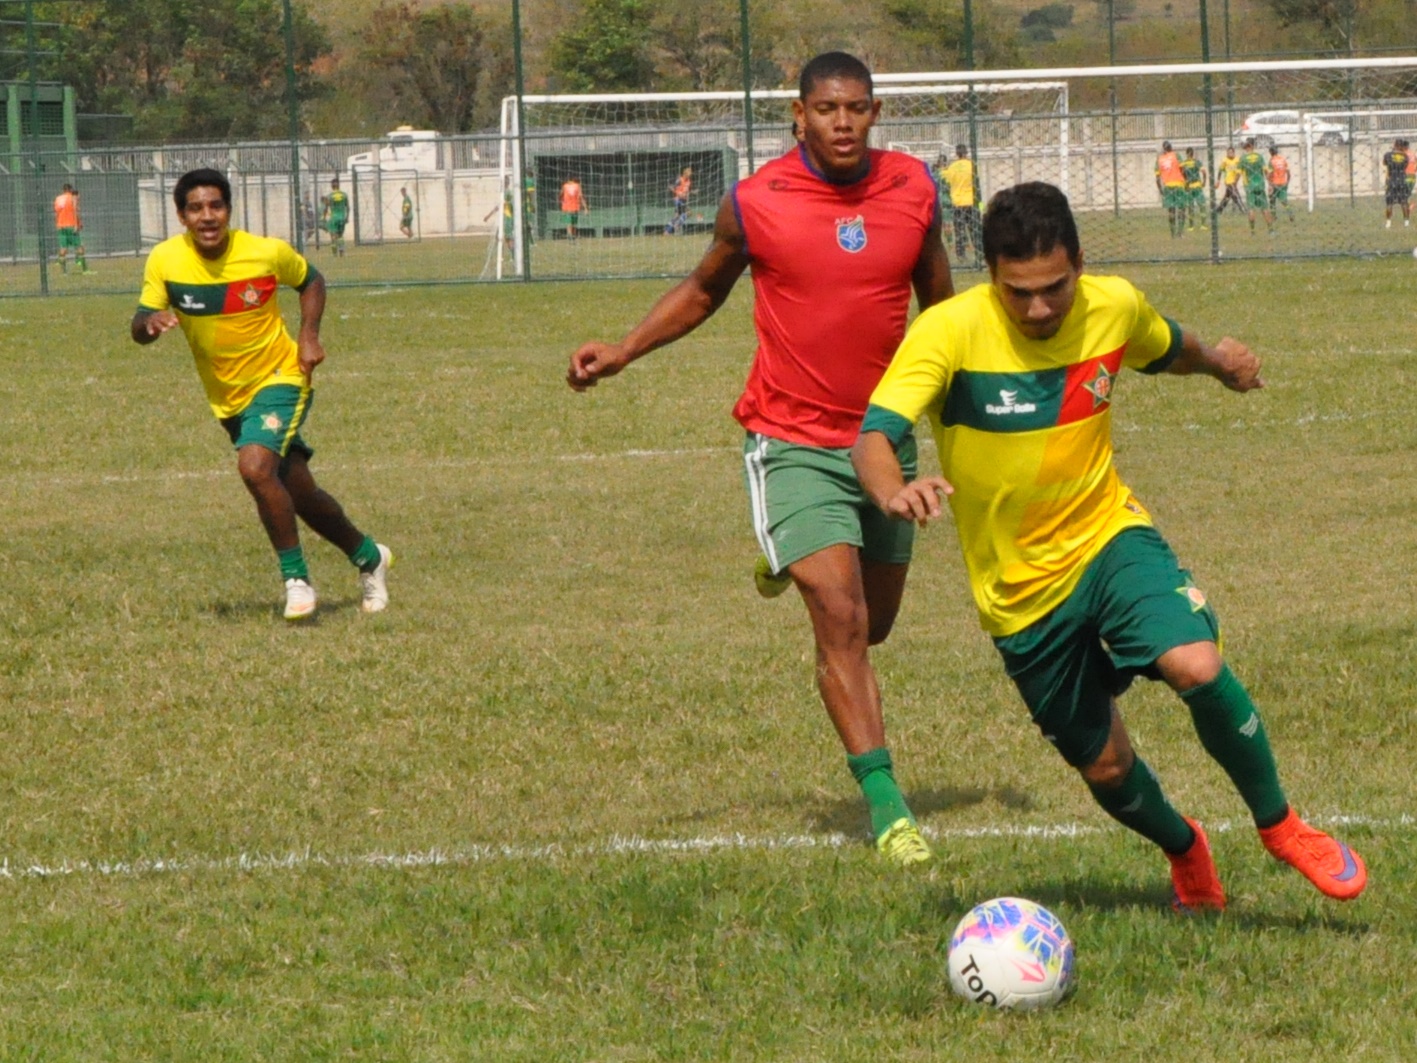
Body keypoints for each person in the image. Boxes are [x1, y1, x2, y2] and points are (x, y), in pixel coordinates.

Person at [851, 181, 1367, 911]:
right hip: (1019, 594)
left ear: (1080, 264)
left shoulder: (1112, 305)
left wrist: (1221, 363)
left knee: (1195, 664)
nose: (1038, 309)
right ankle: (1184, 846)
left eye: (1054, 288)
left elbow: (1169, 347)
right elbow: (874, 435)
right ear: (990, 275)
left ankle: (1281, 826)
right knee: (1106, 767)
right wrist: (889, 492)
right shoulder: (948, 332)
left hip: (1107, 537)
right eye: (1018, 293)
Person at [567, 52, 954, 866]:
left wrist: (967, 399)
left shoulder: (914, 189)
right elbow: (704, 288)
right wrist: (625, 348)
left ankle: (785, 553)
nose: (841, 122)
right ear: (798, 114)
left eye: (855, 108)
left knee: (874, 624)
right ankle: (888, 807)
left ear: (875, 113)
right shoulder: (756, 200)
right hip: (792, 439)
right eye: (826, 108)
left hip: (883, 438)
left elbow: (942, 307)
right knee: (840, 617)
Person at [129, 168, 392, 622]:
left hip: (280, 377)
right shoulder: (165, 260)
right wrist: (148, 324)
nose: (207, 216)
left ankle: (296, 581)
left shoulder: (265, 252)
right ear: (181, 215)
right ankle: (370, 557)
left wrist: (308, 336)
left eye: (216, 206)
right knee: (298, 491)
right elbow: (140, 323)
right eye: (196, 208)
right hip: (228, 397)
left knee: (254, 467)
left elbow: (312, 280)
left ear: (229, 210)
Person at [940, 143, 983, 266]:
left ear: (956, 154)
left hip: (957, 203)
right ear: (966, 153)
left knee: (959, 230)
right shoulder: (972, 165)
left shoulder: (952, 167)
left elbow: (944, 177)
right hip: (971, 202)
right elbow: (977, 183)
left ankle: (961, 255)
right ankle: (979, 254)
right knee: (974, 230)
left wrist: (941, 168)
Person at [1237, 139, 1275, 235]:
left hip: (1249, 187)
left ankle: (1252, 232)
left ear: (1248, 146)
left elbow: (1238, 173)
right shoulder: (1259, 157)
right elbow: (1266, 171)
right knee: (1265, 208)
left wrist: (1234, 183)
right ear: (1253, 146)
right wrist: (1270, 184)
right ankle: (1271, 230)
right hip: (1260, 186)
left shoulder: (1243, 158)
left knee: (1251, 209)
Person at [53, 182, 88, 274]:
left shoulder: (58, 199)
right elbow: (75, 211)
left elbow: (57, 212)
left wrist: (58, 224)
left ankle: (64, 272)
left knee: (63, 249)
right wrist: (78, 224)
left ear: (63, 190)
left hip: (61, 226)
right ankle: (84, 269)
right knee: (79, 247)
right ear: (70, 189)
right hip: (71, 225)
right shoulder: (72, 198)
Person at [1154, 141, 1186, 238]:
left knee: (1171, 210)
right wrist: (1186, 182)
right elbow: (1183, 169)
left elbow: (1157, 178)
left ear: (1163, 149)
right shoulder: (1176, 155)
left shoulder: (1159, 159)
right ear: (1171, 147)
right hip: (1179, 185)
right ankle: (1180, 233)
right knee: (1181, 209)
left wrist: (1160, 190)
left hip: (1168, 186)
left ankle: (1172, 233)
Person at [1382, 137, 1411, 228]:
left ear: (1394, 144)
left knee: (1389, 203)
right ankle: (1406, 223)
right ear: (1401, 146)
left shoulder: (1388, 155)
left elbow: (1384, 163)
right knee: (1404, 202)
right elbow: (1405, 167)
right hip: (1402, 181)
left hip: (1392, 181)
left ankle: (1388, 223)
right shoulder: (1405, 156)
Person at [1180, 147, 1208, 231]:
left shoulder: (1184, 163)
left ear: (1186, 153)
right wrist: (1204, 182)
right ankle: (1203, 225)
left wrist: (1184, 183)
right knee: (1201, 205)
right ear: (1193, 153)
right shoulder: (1197, 162)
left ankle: (1191, 226)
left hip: (1189, 187)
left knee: (1190, 207)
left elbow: (1181, 173)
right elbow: (1204, 172)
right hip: (1197, 185)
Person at [1267, 146, 1295, 224]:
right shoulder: (1283, 159)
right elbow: (1288, 172)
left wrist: (1269, 183)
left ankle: (1274, 217)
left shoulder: (1271, 161)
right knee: (1284, 200)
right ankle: (1290, 213)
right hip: (1283, 183)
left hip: (1275, 183)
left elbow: (1270, 173)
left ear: (1270, 152)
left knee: (1272, 200)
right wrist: (1287, 182)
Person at [323, 177, 350, 255]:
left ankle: (334, 253)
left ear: (332, 186)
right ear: (339, 185)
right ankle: (341, 251)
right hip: (342, 217)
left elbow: (326, 208)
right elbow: (348, 207)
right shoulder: (344, 195)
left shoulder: (329, 196)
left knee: (333, 235)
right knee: (340, 235)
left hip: (334, 217)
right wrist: (347, 217)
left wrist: (324, 218)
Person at [1214, 146, 1244, 216]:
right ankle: (1243, 209)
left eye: (1231, 152)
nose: (1229, 154)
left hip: (1234, 181)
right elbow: (1220, 170)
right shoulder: (1225, 160)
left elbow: (1239, 171)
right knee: (1236, 195)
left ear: (1234, 153)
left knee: (1227, 196)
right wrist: (1218, 180)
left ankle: (1218, 210)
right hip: (1228, 181)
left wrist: (1237, 179)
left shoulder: (1237, 160)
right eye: (1228, 152)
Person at [664, 167, 693, 235]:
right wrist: (679, 194)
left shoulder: (689, 181)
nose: (689, 176)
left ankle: (667, 231)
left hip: (683, 200)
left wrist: (693, 192)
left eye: (690, 175)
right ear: (684, 174)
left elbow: (687, 190)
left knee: (677, 216)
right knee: (688, 212)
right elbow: (672, 188)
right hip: (678, 199)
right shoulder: (679, 180)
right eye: (688, 174)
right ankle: (677, 225)